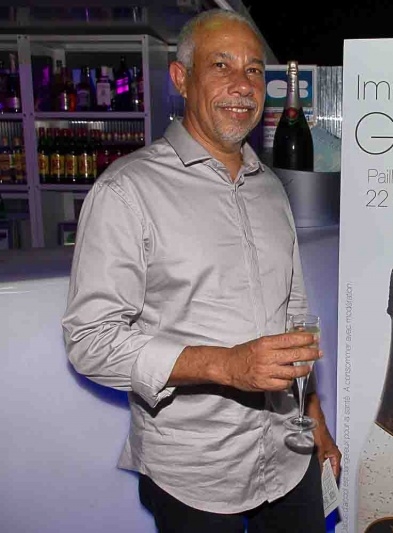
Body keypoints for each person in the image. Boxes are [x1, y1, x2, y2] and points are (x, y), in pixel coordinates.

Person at [61, 9, 340, 532]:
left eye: (253, 69)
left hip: (287, 453)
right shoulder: (127, 190)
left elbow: (295, 314)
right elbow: (90, 341)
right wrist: (225, 365)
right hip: (195, 472)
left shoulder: (271, 188)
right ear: (181, 78)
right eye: (221, 65)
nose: (243, 84)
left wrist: (315, 419)